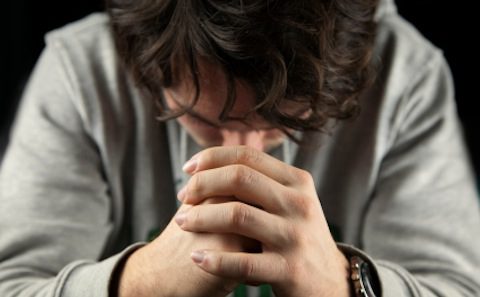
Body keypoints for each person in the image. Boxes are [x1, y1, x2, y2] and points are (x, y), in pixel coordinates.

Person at [0, 0, 479, 296]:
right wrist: (140, 284)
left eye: (286, 122)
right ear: (142, 64)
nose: (243, 160)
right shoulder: (80, 72)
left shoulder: (402, 74)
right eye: (203, 118)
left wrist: (341, 286)